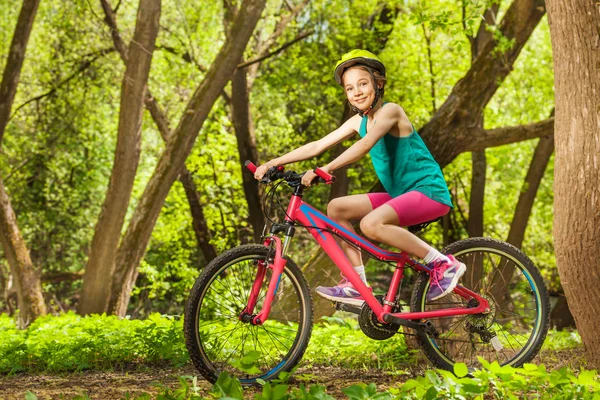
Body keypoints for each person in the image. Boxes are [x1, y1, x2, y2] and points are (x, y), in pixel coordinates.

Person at [254, 49, 466, 305]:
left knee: (370, 224)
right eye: (349, 88)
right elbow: (317, 144)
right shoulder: (357, 121)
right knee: (337, 208)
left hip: (428, 191)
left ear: (378, 84)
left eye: (363, 84)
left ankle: (442, 263)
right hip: (402, 195)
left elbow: (365, 145)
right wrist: (273, 162)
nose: (357, 92)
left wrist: (326, 168)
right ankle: (356, 283)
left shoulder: (391, 112)